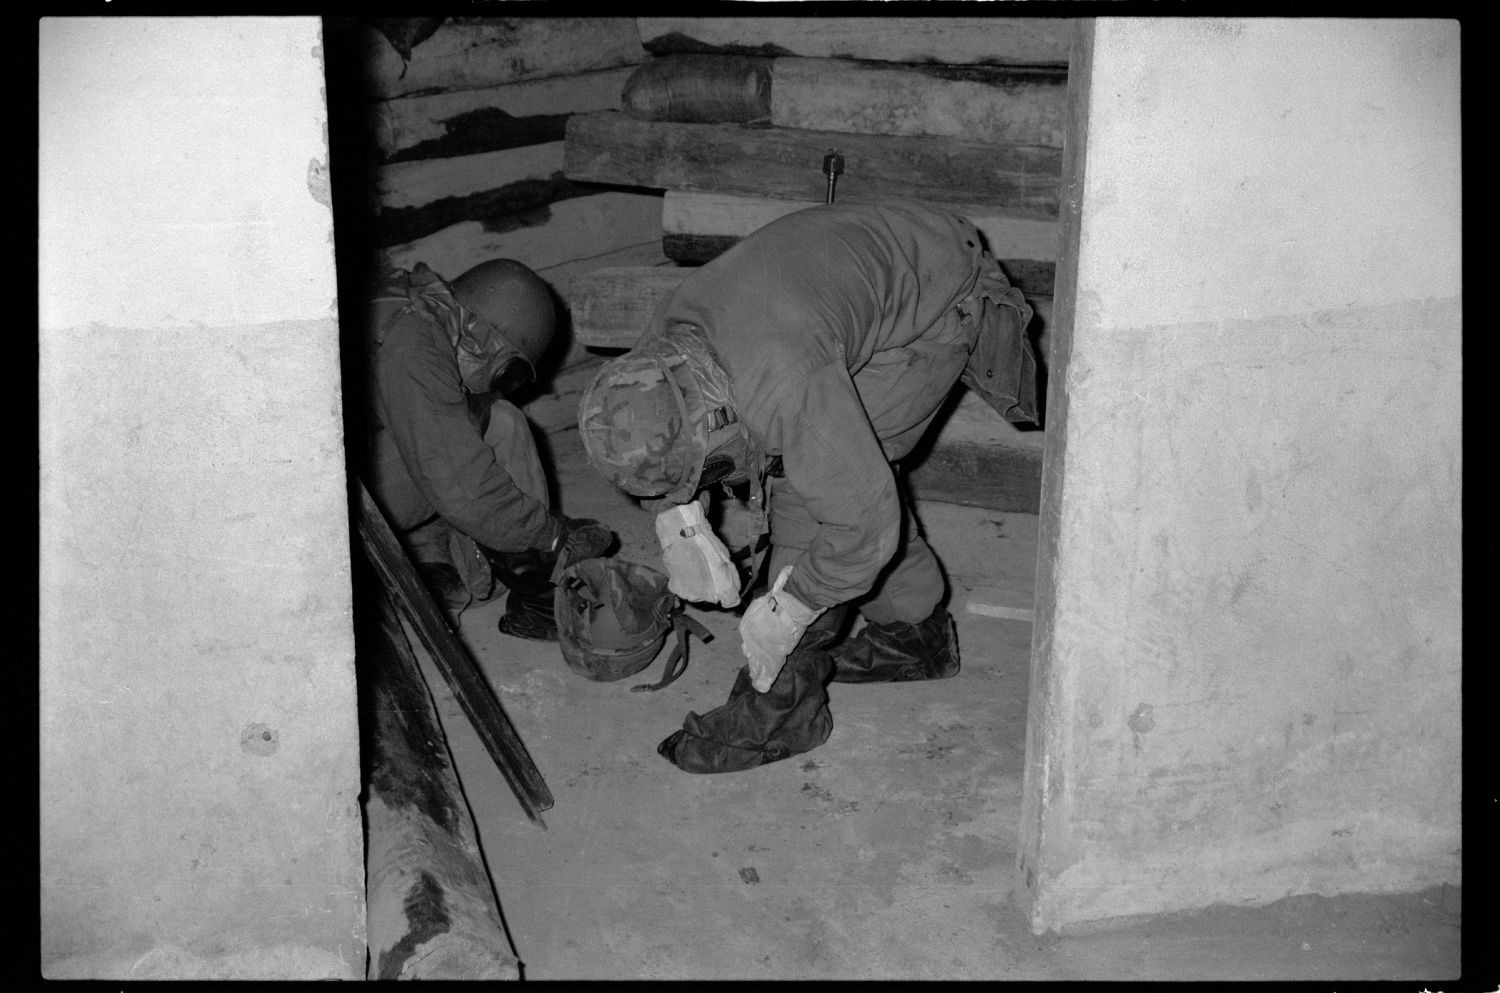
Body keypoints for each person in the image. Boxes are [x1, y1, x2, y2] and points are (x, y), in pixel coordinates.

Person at [577, 200, 1039, 772]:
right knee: (847, 478)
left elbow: (863, 526)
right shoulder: (660, 350)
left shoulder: (783, 384)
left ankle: (783, 711)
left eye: (709, 468)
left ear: (715, 417)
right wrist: (679, 520)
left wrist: (789, 609)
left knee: (819, 497)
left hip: (940, 297)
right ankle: (916, 637)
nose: (712, 481)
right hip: (864, 270)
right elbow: (663, 446)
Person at [361, 258, 614, 639]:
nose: (499, 387)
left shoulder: (414, 307)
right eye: (505, 373)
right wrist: (549, 536)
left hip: (351, 471)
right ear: (479, 334)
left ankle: (428, 548)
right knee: (491, 431)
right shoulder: (414, 348)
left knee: (472, 422)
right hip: (330, 514)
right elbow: (463, 490)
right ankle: (540, 598)